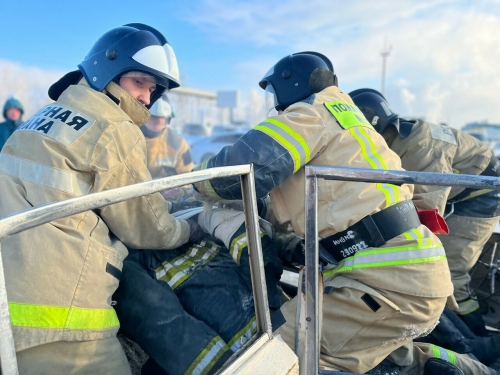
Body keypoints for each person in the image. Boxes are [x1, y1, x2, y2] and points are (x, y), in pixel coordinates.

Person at [192, 52, 494, 374]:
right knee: (380, 352)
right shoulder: (353, 126)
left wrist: (196, 183)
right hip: (409, 277)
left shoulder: (309, 114)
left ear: (290, 84)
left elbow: (242, 169)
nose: (276, 105)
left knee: (277, 352)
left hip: (384, 285)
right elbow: (320, 203)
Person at [0, 23, 201, 374]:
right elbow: (148, 228)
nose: (146, 98)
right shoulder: (112, 125)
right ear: (108, 68)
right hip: (63, 316)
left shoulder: (38, 120)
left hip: (8, 300)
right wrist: (192, 228)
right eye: (140, 82)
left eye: (153, 90)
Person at [350, 88, 500, 337]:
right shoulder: (396, 140)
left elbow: (427, 214)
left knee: (448, 272)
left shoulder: (422, 147)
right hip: (463, 194)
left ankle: (479, 344)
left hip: (483, 195)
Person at [113, 204, 283, 375]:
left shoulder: (199, 214)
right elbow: (162, 322)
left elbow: (256, 245)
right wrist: (221, 368)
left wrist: (271, 303)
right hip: (243, 359)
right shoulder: (127, 263)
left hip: (280, 328)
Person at [142, 92, 193, 179]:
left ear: (168, 119)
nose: (157, 122)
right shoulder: (128, 139)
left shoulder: (178, 143)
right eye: (153, 117)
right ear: (143, 116)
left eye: (161, 118)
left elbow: (188, 177)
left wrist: (178, 190)